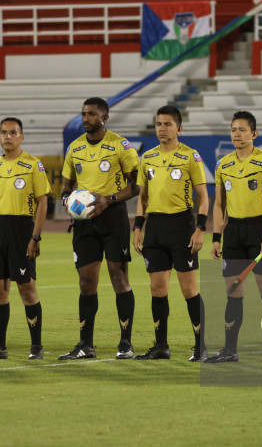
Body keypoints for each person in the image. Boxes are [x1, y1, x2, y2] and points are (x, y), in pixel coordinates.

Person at [59, 97, 139, 360]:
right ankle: (86, 344)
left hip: (113, 217)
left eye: (92, 114)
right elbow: (66, 184)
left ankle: (125, 343)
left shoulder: (121, 145)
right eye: (84, 114)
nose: (86, 118)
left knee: (119, 278)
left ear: (105, 118)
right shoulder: (74, 148)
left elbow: (136, 186)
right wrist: (66, 200)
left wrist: (109, 199)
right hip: (84, 221)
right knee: (86, 282)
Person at [132, 106, 209, 361]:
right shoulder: (147, 157)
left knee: (189, 289)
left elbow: (203, 197)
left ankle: (201, 346)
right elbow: (142, 197)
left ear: (179, 128)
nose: (162, 129)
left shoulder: (190, 156)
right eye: (158, 124)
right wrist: (137, 228)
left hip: (181, 227)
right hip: (154, 228)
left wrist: (200, 229)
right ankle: (161, 346)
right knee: (157, 289)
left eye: (167, 124)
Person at [207, 111, 262, 364]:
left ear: (254, 134)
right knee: (233, 291)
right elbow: (219, 204)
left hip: (259, 230)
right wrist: (216, 237)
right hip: (233, 233)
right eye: (233, 130)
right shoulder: (223, 164)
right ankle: (230, 350)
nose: (237, 134)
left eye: (242, 130)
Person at [0, 118, 50, 360]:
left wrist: (35, 236)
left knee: (26, 289)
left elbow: (43, 201)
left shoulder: (32, 165)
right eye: (3, 132)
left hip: (21, 230)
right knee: (0, 292)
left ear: (22, 136)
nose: (7, 136)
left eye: (12, 132)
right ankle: (1, 347)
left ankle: (36, 346)